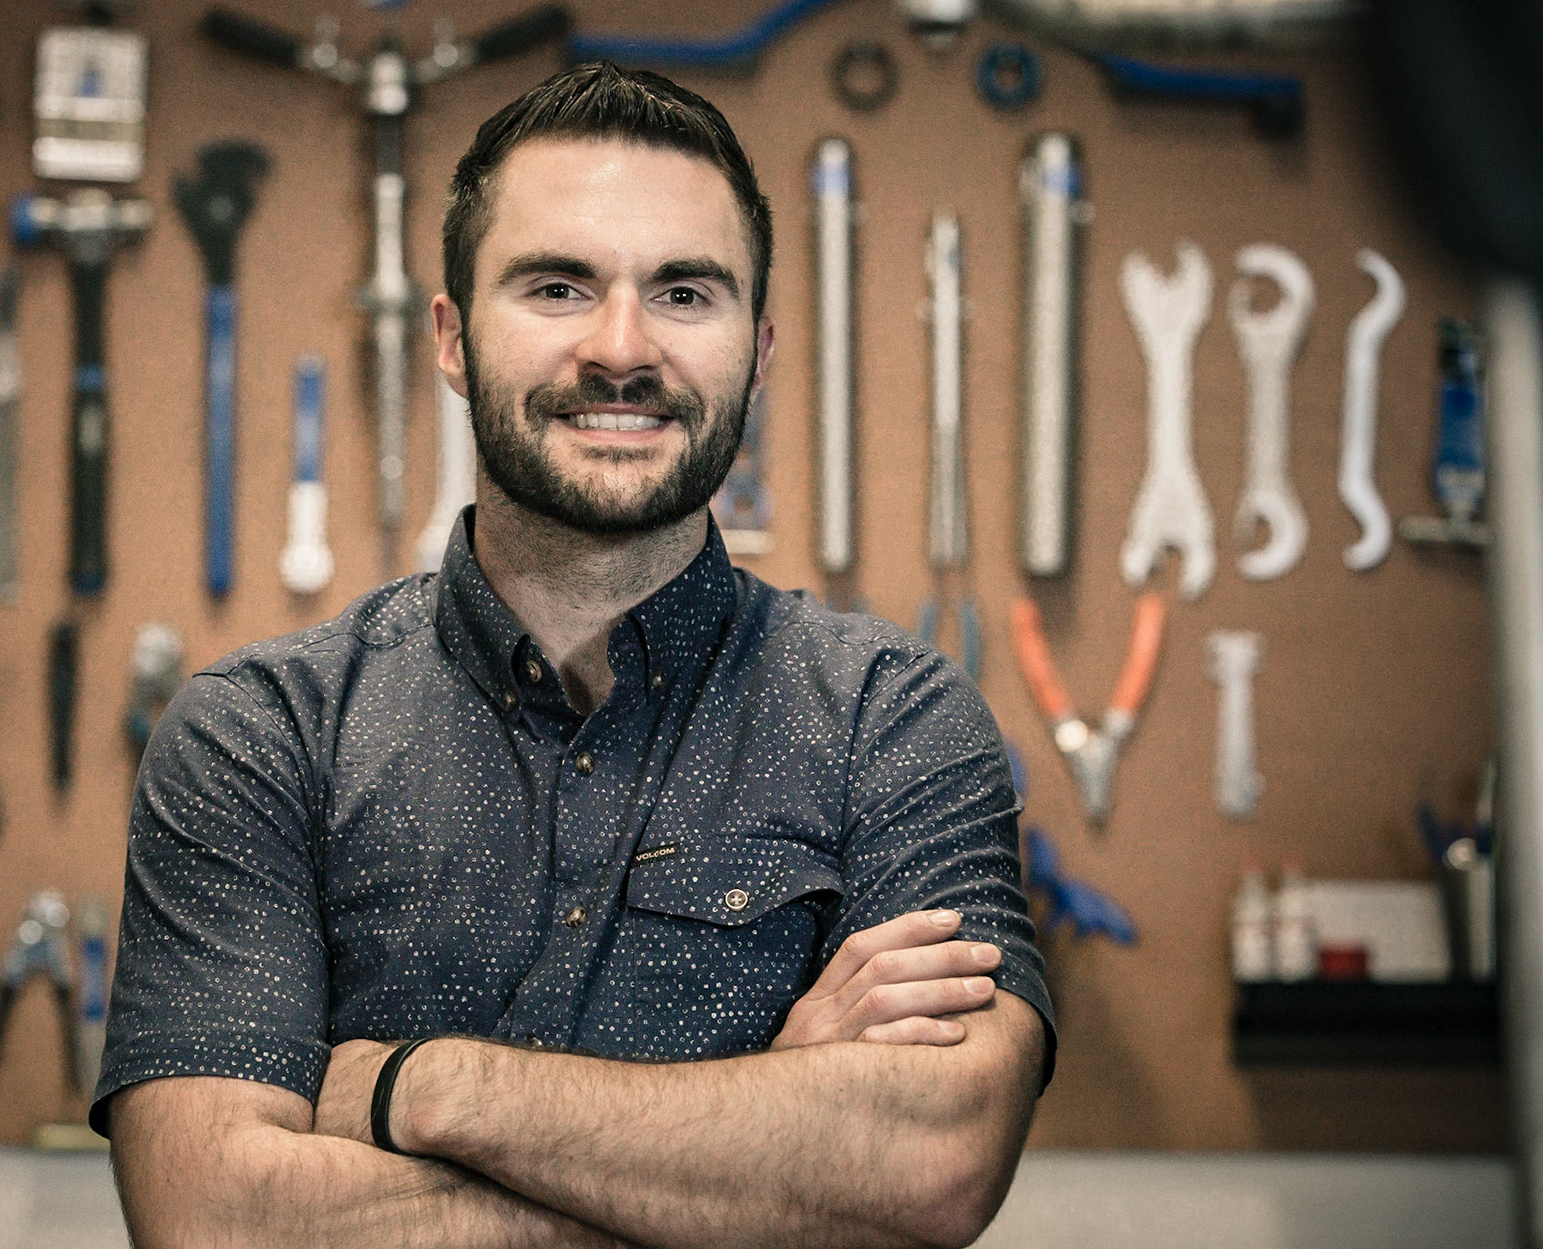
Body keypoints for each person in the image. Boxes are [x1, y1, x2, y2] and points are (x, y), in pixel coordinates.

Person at [97, 61, 1054, 1249]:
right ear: (452, 338)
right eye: (557, 287)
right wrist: (767, 1152)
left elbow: (936, 1159)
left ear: (758, 354)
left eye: (684, 293)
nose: (621, 348)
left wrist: (421, 1089)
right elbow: (217, 1221)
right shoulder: (261, 736)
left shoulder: (892, 718)